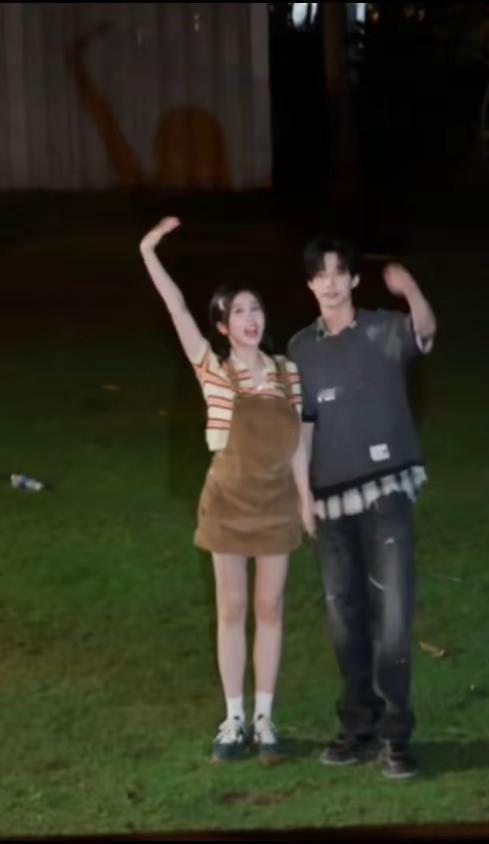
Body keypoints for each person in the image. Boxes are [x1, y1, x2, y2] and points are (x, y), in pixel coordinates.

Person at [139, 217, 314, 764]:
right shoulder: (212, 371)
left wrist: (306, 498)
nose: (250, 318)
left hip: (278, 503)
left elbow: (299, 441)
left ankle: (265, 718)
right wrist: (149, 251)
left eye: (255, 308)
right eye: (237, 311)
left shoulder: (287, 372)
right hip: (228, 504)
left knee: (270, 607)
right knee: (232, 608)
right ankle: (233, 719)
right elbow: (177, 310)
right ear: (221, 324)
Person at [287, 235, 437, 780]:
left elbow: (424, 332)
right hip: (330, 503)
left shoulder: (382, 329)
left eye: (338, 272)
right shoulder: (300, 349)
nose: (329, 283)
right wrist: (303, 496)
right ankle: (359, 727)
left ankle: (397, 737)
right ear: (310, 284)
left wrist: (409, 288)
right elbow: (302, 426)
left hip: (386, 495)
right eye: (319, 274)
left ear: (353, 279)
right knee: (344, 620)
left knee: (392, 619)